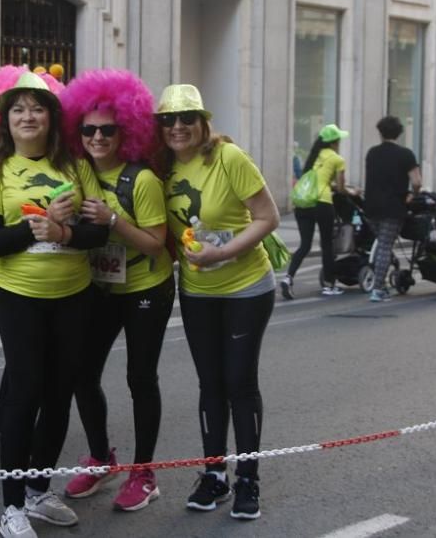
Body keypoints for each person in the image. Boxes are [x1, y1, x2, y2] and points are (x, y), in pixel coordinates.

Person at [0, 68, 110, 538]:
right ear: (5, 121)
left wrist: (66, 232)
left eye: (36, 108)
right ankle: (11, 506)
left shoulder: (76, 167)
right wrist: (39, 225)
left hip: (73, 297)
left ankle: (38, 489)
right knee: (24, 394)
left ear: (52, 118)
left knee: (57, 398)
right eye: (17, 109)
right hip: (20, 298)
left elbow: (98, 231)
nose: (27, 116)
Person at [155, 84, 280, 521]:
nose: (177, 127)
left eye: (186, 117)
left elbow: (268, 217)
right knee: (210, 385)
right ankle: (214, 474)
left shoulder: (228, 157)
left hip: (246, 286)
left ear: (201, 121)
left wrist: (222, 253)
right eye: (168, 119)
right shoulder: (161, 169)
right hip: (197, 292)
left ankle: (248, 478)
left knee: (239, 383)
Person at [57, 69, 175, 511]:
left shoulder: (141, 179)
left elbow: (156, 244)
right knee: (82, 374)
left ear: (127, 129)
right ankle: (101, 456)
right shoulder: (80, 170)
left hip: (146, 286)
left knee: (139, 378)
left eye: (108, 129)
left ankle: (144, 472)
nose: (97, 137)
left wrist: (113, 221)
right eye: (88, 129)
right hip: (101, 288)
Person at [280, 124, 350, 299]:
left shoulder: (312, 157)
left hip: (303, 204)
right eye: (338, 140)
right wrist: (352, 192)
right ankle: (329, 285)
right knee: (327, 245)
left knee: (305, 245)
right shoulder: (337, 159)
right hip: (322, 203)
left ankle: (288, 278)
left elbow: (315, 179)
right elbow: (341, 189)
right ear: (334, 142)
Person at [363, 115, 421, 302]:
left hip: (371, 207)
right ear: (399, 133)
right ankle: (378, 288)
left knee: (382, 243)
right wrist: (413, 194)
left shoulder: (372, 153)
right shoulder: (406, 154)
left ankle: (384, 273)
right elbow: (417, 181)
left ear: (380, 132)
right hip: (392, 207)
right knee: (385, 246)